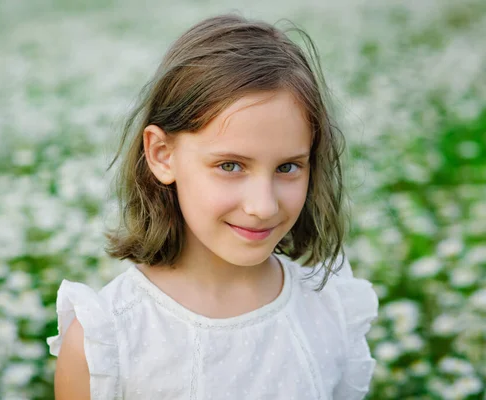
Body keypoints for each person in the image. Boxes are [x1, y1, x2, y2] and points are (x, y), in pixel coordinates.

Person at [47, 13, 379, 400]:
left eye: (288, 167)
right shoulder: (108, 341)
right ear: (161, 154)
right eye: (230, 166)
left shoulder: (330, 310)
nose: (262, 206)